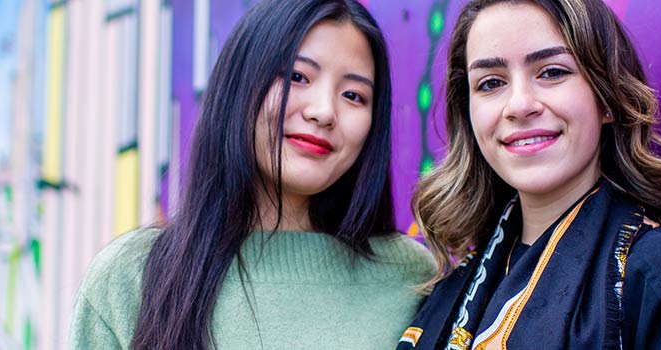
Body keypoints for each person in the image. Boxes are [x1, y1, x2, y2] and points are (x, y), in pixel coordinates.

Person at [70, 0, 432, 349]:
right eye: (297, 76)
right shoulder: (128, 278)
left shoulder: (410, 278)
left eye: (353, 95)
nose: (324, 112)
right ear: (240, 86)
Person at [400, 0, 661, 348]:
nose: (519, 105)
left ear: (607, 98)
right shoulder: (458, 279)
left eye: (552, 72)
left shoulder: (659, 278)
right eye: (491, 83)